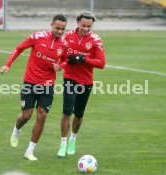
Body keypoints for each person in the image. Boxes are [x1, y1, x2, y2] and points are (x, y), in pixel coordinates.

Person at [0, 14, 68, 161]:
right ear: (51, 25)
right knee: (26, 116)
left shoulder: (64, 44)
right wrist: (7, 64)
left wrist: (60, 66)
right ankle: (17, 129)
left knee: (42, 115)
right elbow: (19, 48)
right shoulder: (37, 37)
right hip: (30, 83)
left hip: (47, 84)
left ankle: (30, 151)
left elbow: (66, 60)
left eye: (63, 29)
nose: (60, 32)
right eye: (57, 28)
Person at [57, 11, 106, 157]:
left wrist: (82, 58)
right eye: (83, 25)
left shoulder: (96, 40)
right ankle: (63, 144)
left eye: (89, 26)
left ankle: (73, 139)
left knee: (78, 114)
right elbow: (59, 54)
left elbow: (101, 63)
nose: (85, 28)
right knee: (67, 111)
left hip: (86, 82)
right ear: (77, 23)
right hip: (70, 78)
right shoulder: (67, 36)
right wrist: (62, 62)